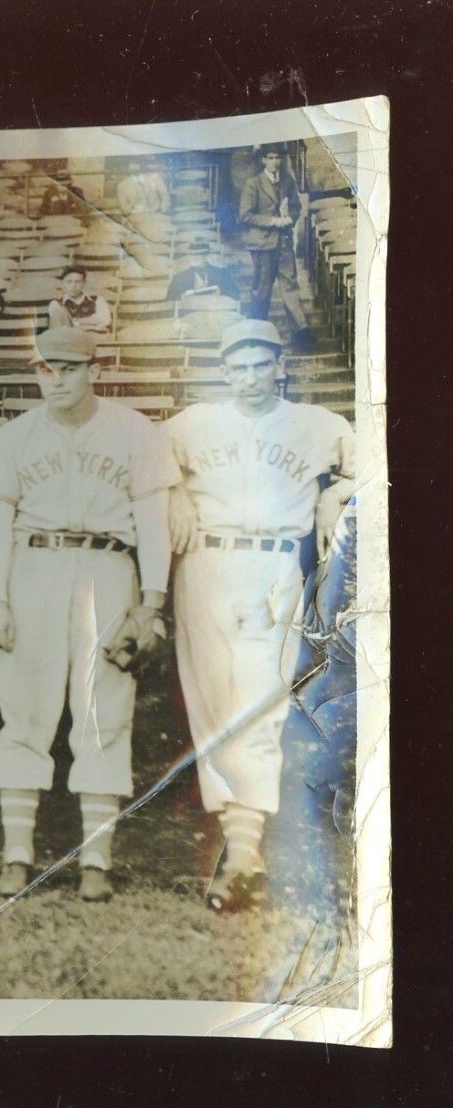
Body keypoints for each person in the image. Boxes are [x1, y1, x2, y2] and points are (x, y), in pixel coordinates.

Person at [0, 326, 178, 902]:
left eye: (67, 368)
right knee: (24, 709)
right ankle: (17, 856)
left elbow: (154, 522)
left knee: (103, 711)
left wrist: (152, 603)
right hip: (31, 566)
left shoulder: (135, 432)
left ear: (94, 370)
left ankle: (96, 859)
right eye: (44, 368)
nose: (55, 379)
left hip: (108, 568)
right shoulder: (13, 436)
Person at [163, 319, 356, 913]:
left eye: (260, 363)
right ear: (224, 370)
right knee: (212, 706)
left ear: (280, 365)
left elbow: (379, 460)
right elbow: (140, 465)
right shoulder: (194, 423)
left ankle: (242, 854)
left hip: (275, 569)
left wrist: (336, 493)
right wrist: (172, 493)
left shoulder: (318, 425)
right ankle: (241, 844)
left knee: (259, 701)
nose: (250, 376)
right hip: (205, 564)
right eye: (237, 366)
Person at [239, 144, 310, 338]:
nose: (274, 162)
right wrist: (272, 221)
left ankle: (300, 332)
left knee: (290, 286)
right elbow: (245, 215)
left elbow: (296, 208)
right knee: (262, 289)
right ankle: (257, 332)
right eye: (270, 158)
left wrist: (290, 218)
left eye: (277, 158)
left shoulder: (287, 182)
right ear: (263, 160)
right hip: (262, 244)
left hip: (284, 243)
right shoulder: (253, 183)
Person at [167, 240, 239, 302]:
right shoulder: (179, 278)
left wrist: (221, 293)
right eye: (192, 254)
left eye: (198, 254)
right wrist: (181, 297)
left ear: (206, 256)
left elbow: (236, 296)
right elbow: (169, 301)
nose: (194, 257)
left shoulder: (222, 274)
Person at [45, 266, 113, 333]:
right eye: (69, 282)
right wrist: (91, 323)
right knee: (60, 312)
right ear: (63, 284)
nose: (73, 286)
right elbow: (58, 328)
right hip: (69, 340)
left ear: (84, 283)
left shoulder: (97, 300)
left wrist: (75, 322)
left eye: (78, 282)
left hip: (93, 338)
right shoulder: (56, 304)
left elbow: (105, 321)